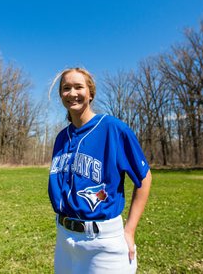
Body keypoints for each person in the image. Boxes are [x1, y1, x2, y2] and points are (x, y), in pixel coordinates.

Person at [48, 67, 152, 273]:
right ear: (61, 94)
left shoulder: (113, 129)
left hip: (102, 242)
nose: (72, 93)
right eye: (66, 88)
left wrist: (129, 231)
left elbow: (144, 178)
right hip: (64, 238)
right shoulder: (61, 137)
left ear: (91, 93)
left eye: (79, 87)